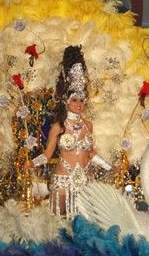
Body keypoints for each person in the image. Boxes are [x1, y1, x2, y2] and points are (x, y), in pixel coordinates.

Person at [31, 46, 111, 218]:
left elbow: (90, 153)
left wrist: (109, 167)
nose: (79, 104)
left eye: (82, 100)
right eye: (74, 99)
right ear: (66, 101)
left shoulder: (88, 125)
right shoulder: (58, 126)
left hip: (86, 182)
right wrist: (32, 163)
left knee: (86, 227)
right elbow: (47, 155)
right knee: (59, 228)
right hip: (63, 182)